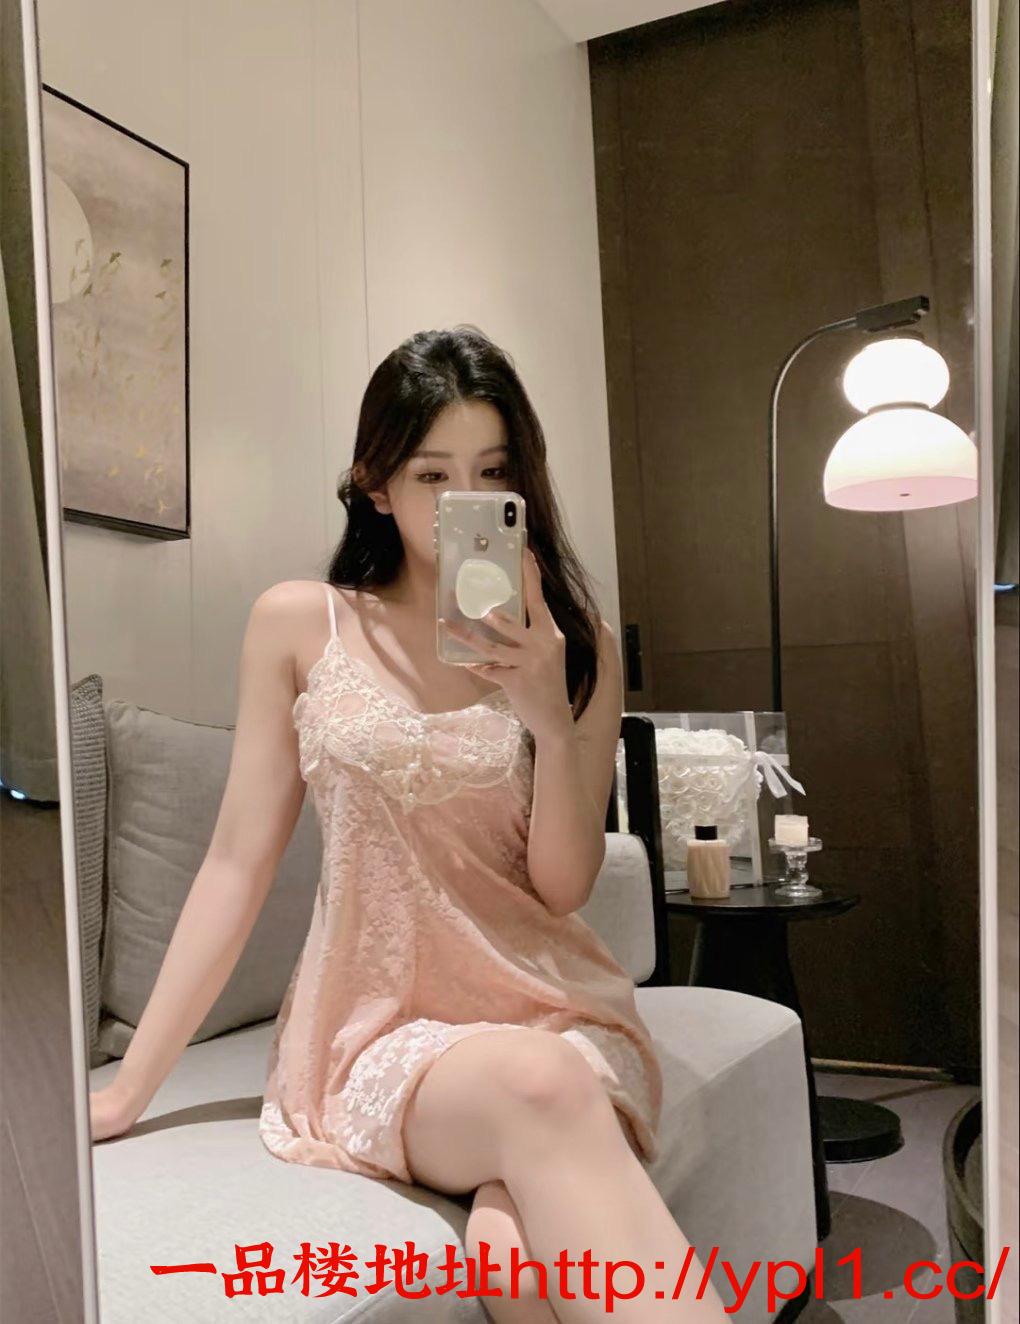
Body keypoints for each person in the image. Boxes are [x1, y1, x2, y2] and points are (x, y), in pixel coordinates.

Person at [90, 327, 728, 1323]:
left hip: (553, 1006)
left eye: (493, 472)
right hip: (375, 1027)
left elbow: (562, 888)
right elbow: (235, 865)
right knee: (539, 1099)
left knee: (515, 1264)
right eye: (432, 474)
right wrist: (130, 1087)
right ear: (376, 485)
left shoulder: (578, 644)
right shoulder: (300, 623)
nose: (463, 498)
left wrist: (549, 721)